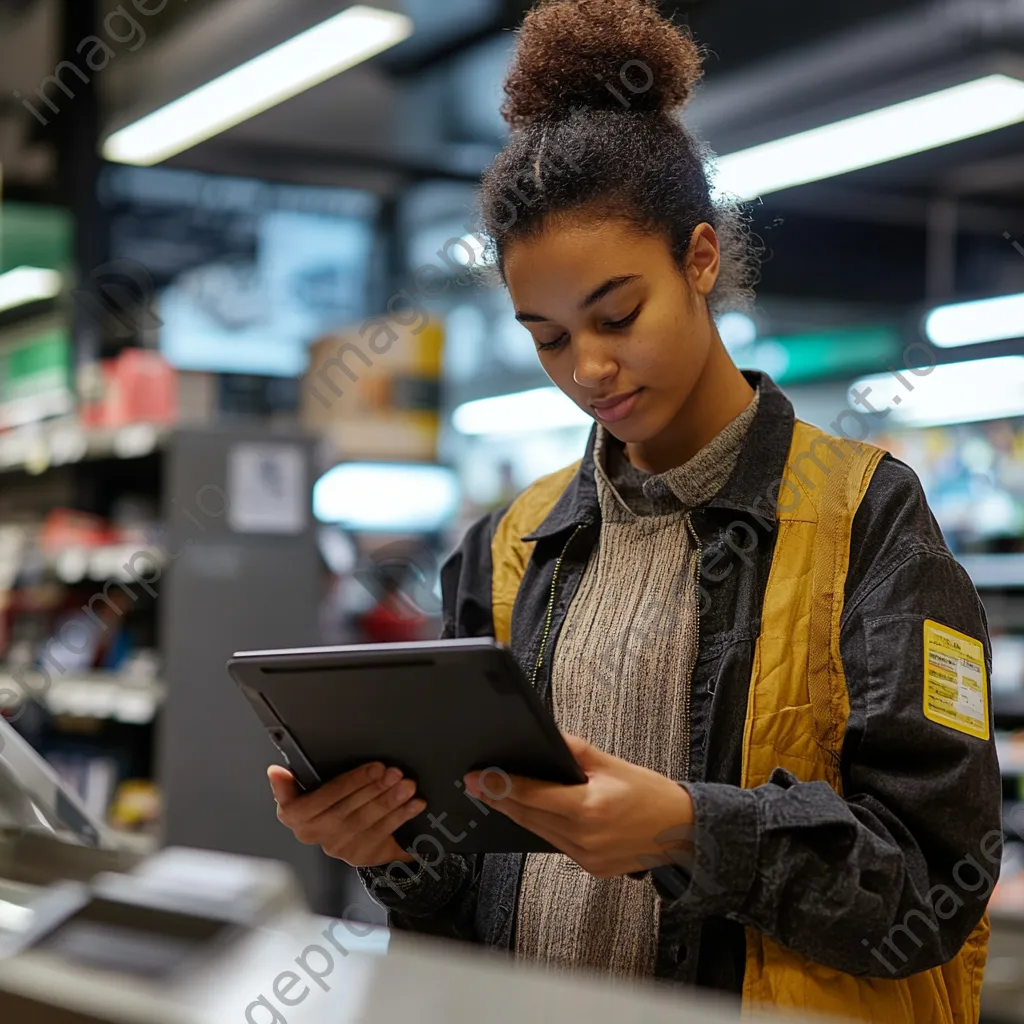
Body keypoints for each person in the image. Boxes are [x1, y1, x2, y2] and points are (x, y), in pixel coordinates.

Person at [268, 1, 1002, 1019]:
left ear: (699, 258)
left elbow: (936, 890)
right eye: (549, 337)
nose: (590, 368)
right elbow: (460, 888)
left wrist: (688, 831)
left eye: (617, 315)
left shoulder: (865, 519)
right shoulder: (507, 546)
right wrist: (385, 844)